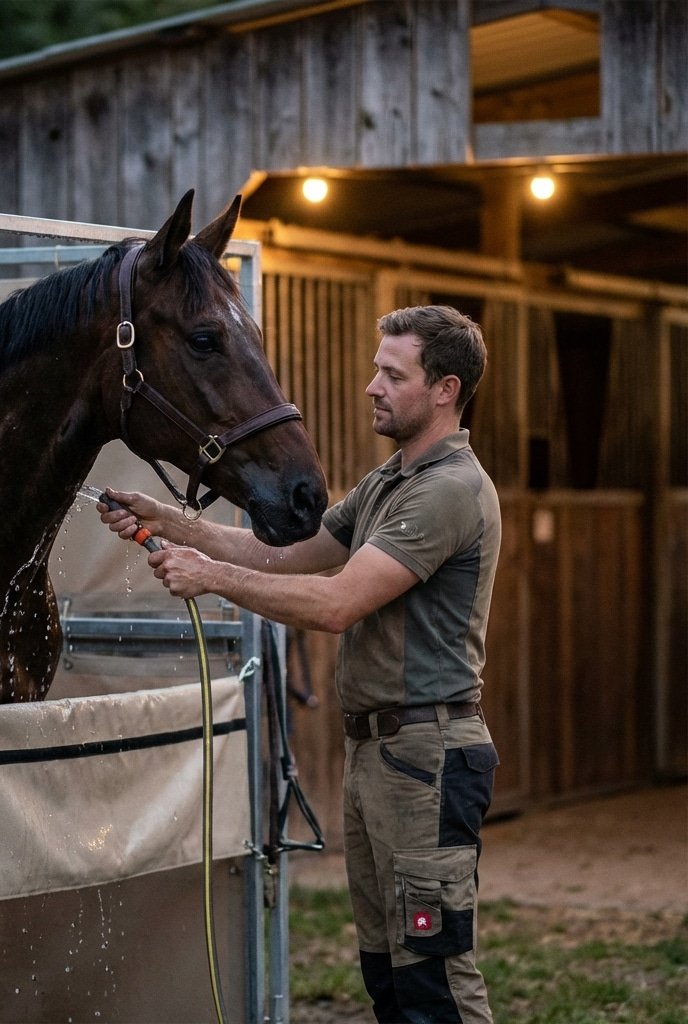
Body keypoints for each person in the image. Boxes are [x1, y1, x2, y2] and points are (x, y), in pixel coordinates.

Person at [99, 304, 501, 1023]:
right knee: (388, 977)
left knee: (434, 978)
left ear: (444, 390)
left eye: (391, 373)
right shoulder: (390, 483)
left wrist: (209, 577)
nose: (371, 386)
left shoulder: (448, 491)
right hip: (382, 755)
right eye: (376, 369)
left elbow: (336, 603)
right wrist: (170, 522)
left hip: (427, 759)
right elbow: (283, 555)